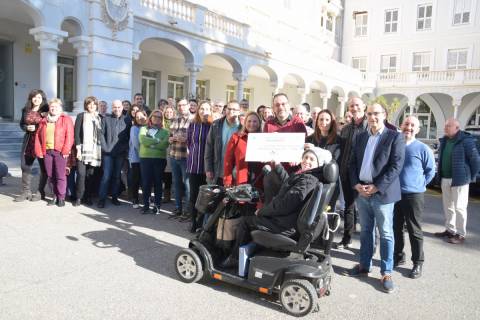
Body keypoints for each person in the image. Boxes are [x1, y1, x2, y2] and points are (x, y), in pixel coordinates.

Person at [221, 147, 332, 268]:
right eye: (305, 157)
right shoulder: (308, 176)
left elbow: (285, 205)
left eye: (312, 159)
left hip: (285, 226)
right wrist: (277, 166)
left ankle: (235, 258)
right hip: (288, 222)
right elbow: (289, 184)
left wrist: (262, 211)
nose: (307, 161)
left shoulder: (308, 180)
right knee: (253, 218)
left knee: (245, 222)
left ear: (319, 164)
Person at [345, 103, 405, 294]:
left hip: (382, 194)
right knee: (366, 232)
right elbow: (352, 162)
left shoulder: (395, 136)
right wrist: (356, 184)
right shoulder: (361, 137)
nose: (372, 117)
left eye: (376, 113)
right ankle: (364, 265)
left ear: (384, 115)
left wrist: (377, 186)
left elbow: (396, 166)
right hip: (362, 191)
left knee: (386, 233)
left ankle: (386, 272)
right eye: (369, 114)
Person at [393, 116, 435, 279]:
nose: (408, 127)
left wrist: (419, 184)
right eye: (406, 124)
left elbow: (430, 170)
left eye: (412, 125)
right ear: (401, 126)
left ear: (417, 129)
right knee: (396, 227)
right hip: (395, 193)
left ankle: (418, 262)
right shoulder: (396, 145)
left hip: (414, 195)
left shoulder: (423, 148)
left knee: (414, 229)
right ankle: (398, 255)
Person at [434, 119, 480, 244]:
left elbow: (475, 160)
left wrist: (470, 177)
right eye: (445, 126)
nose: (445, 128)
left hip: (460, 180)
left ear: (457, 128)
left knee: (460, 207)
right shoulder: (444, 140)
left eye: (448, 126)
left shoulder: (466, 140)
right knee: (448, 206)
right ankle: (450, 230)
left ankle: (460, 234)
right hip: (445, 178)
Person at [334, 97, 368, 249]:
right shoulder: (346, 129)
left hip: (365, 175)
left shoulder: (370, 127)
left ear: (364, 107)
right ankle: (347, 238)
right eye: (351, 106)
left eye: (357, 105)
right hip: (346, 173)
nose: (354, 108)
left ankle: (369, 245)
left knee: (367, 210)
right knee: (349, 206)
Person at [34, 98, 74, 207]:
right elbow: (38, 136)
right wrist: (38, 150)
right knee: (51, 176)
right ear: (49, 108)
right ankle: (54, 196)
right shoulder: (43, 121)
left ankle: (61, 197)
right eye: (52, 106)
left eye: (56, 106)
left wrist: (66, 149)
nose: (54, 108)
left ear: (60, 108)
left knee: (60, 175)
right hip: (47, 152)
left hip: (60, 152)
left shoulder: (66, 119)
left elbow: (70, 136)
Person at [15, 89, 49, 202]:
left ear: (42, 99)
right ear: (31, 98)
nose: (36, 99)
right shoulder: (26, 110)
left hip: (41, 141)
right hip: (29, 141)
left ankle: (40, 192)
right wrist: (26, 128)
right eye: (34, 97)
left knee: (44, 167)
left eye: (39, 97)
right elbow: (21, 124)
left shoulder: (46, 109)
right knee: (25, 166)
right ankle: (26, 192)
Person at [97, 100, 132, 208]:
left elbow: (129, 137)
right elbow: (101, 134)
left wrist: (124, 148)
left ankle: (115, 197)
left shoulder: (127, 120)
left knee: (116, 176)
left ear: (122, 107)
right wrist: (105, 147)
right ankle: (102, 199)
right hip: (108, 153)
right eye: (114, 107)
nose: (117, 109)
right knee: (106, 176)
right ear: (112, 108)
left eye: (118, 107)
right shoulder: (106, 118)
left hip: (120, 153)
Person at [263, 93, 307, 172]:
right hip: (274, 171)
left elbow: (304, 146)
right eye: (277, 105)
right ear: (273, 108)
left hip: (294, 171)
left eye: (283, 104)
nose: (280, 107)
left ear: (288, 105)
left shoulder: (298, 122)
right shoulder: (268, 124)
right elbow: (264, 147)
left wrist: (298, 156)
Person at [187, 101, 213, 232]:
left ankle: (202, 222)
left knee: (206, 197)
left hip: (207, 168)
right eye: (202, 108)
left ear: (211, 111)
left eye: (207, 109)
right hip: (193, 165)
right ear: (198, 110)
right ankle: (193, 222)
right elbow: (188, 143)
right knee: (193, 196)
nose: (204, 111)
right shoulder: (192, 125)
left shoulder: (213, 126)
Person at [73, 96, 102, 206]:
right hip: (83, 150)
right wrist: (78, 149)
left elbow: (100, 134)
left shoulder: (98, 118)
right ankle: (79, 197)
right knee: (81, 174)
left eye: (94, 104)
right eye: (89, 104)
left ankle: (87, 196)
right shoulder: (81, 116)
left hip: (94, 151)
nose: (91, 106)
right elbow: (76, 134)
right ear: (86, 105)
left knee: (90, 175)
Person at [139, 110, 169, 214]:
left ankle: (157, 205)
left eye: (159, 117)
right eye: (155, 116)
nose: (157, 118)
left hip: (159, 160)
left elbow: (164, 145)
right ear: (151, 117)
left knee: (158, 183)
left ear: (162, 120)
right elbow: (143, 141)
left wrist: (150, 143)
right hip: (145, 158)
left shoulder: (166, 132)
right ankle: (146, 205)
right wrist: (157, 141)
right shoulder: (143, 128)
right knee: (146, 183)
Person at [205, 100, 241, 185]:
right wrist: (208, 168)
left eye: (234, 110)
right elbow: (209, 147)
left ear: (239, 112)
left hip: (234, 172)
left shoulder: (242, 127)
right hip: (217, 171)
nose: (231, 111)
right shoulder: (216, 125)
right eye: (229, 109)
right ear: (225, 110)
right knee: (215, 197)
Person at [223, 111, 263, 188]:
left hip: (259, 179)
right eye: (249, 121)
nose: (252, 124)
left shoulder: (263, 138)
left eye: (255, 121)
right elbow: (228, 160)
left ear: (259, 123)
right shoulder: (236, 137)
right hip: (241, 179)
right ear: (245, 123)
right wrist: (227, 180)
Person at [169, 98, 192, 217]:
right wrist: (170, 139)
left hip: (186, 157)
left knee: (187, 184)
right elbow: (170, 136)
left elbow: (196, 139)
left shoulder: (193, 120)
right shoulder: (174, 119)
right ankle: (178, 208)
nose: (181, 107)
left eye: (183, 105)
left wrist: (186, 140)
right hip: (174, 155)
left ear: (188, 106)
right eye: (179, 105)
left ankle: (187, 211)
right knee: (176, 183)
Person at [128, 110, 147, 209]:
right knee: (136, 179)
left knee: (145, 179)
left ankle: (146, 198)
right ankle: (135, 199)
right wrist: (144, 155)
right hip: (136, 158)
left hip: (146, 158)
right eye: (137, 117)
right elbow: (136, 144)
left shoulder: (147, 127)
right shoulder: (134, 128)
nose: (140, 118)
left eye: (142, 116)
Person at [162, 105, 176, 203]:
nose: (169, 114)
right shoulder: (161, 123)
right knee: (165, 174)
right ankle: (165, 195)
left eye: (171, 112)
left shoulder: (176, 123)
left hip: (174, 150)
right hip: (163, 150)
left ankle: (170, 195)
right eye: (167, 112)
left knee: (170, 174)